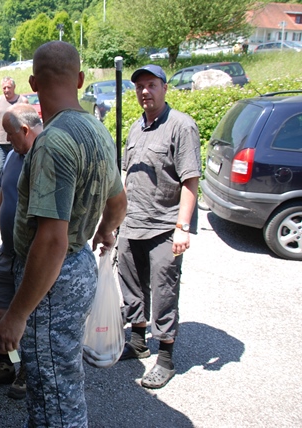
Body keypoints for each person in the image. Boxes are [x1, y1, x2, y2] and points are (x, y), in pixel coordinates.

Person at [0, 41, 127, 427]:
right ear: (80, 79)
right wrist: (104, 231)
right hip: (77, 267)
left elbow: (52, 240)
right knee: (59, 380)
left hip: (51, 281)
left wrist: (16, 314)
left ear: (33, 84)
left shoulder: (52, 142)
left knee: (54, 392)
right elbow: (119, 202)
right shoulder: (97, 130)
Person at [117, 64, 201, 389]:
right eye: (140, 86)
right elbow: (128, 177)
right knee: (132, 285)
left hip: (165, 226)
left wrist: (183, 227)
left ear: (165, 88)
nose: (145, 91)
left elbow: (190, 180)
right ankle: (138, 341)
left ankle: (165, 358)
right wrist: (117, 220)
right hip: (132, 222)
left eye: (151, 85)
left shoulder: (181, 126)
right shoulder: (135, 128)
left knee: (164, 292)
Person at [0, 103, 42, 400]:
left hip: (33, 256)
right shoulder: (14, 155)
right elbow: (2, 200)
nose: (5, 140)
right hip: (7, 251)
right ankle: (6, 362)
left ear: (25, 130)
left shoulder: (45, 158)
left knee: (30, 315)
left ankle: (29, 367)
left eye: (10, 135)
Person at [0, 76, 27, 193]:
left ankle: (17, 197)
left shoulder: (22, 101)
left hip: (16, 143)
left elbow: (28, 122)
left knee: (18, 172)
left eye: (9, 87)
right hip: (0, 143)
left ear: (14, 87)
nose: (6, 90)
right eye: (4, 88)